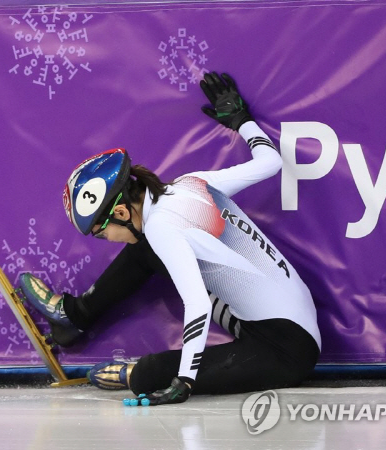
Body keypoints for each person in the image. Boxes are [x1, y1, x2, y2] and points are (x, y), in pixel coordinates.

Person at [19, 72, 321, 406]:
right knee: (145, 247)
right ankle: (73, 317)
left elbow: (198, 305)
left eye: (102, 233)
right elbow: (272, 162)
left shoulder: (162, 226)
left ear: (119, 213)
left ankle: (108, 345)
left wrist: (185, 381)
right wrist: (242, 121)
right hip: (274, 319)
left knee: (152, 373)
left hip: (284, 349)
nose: (108, 240)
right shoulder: (190, 183)